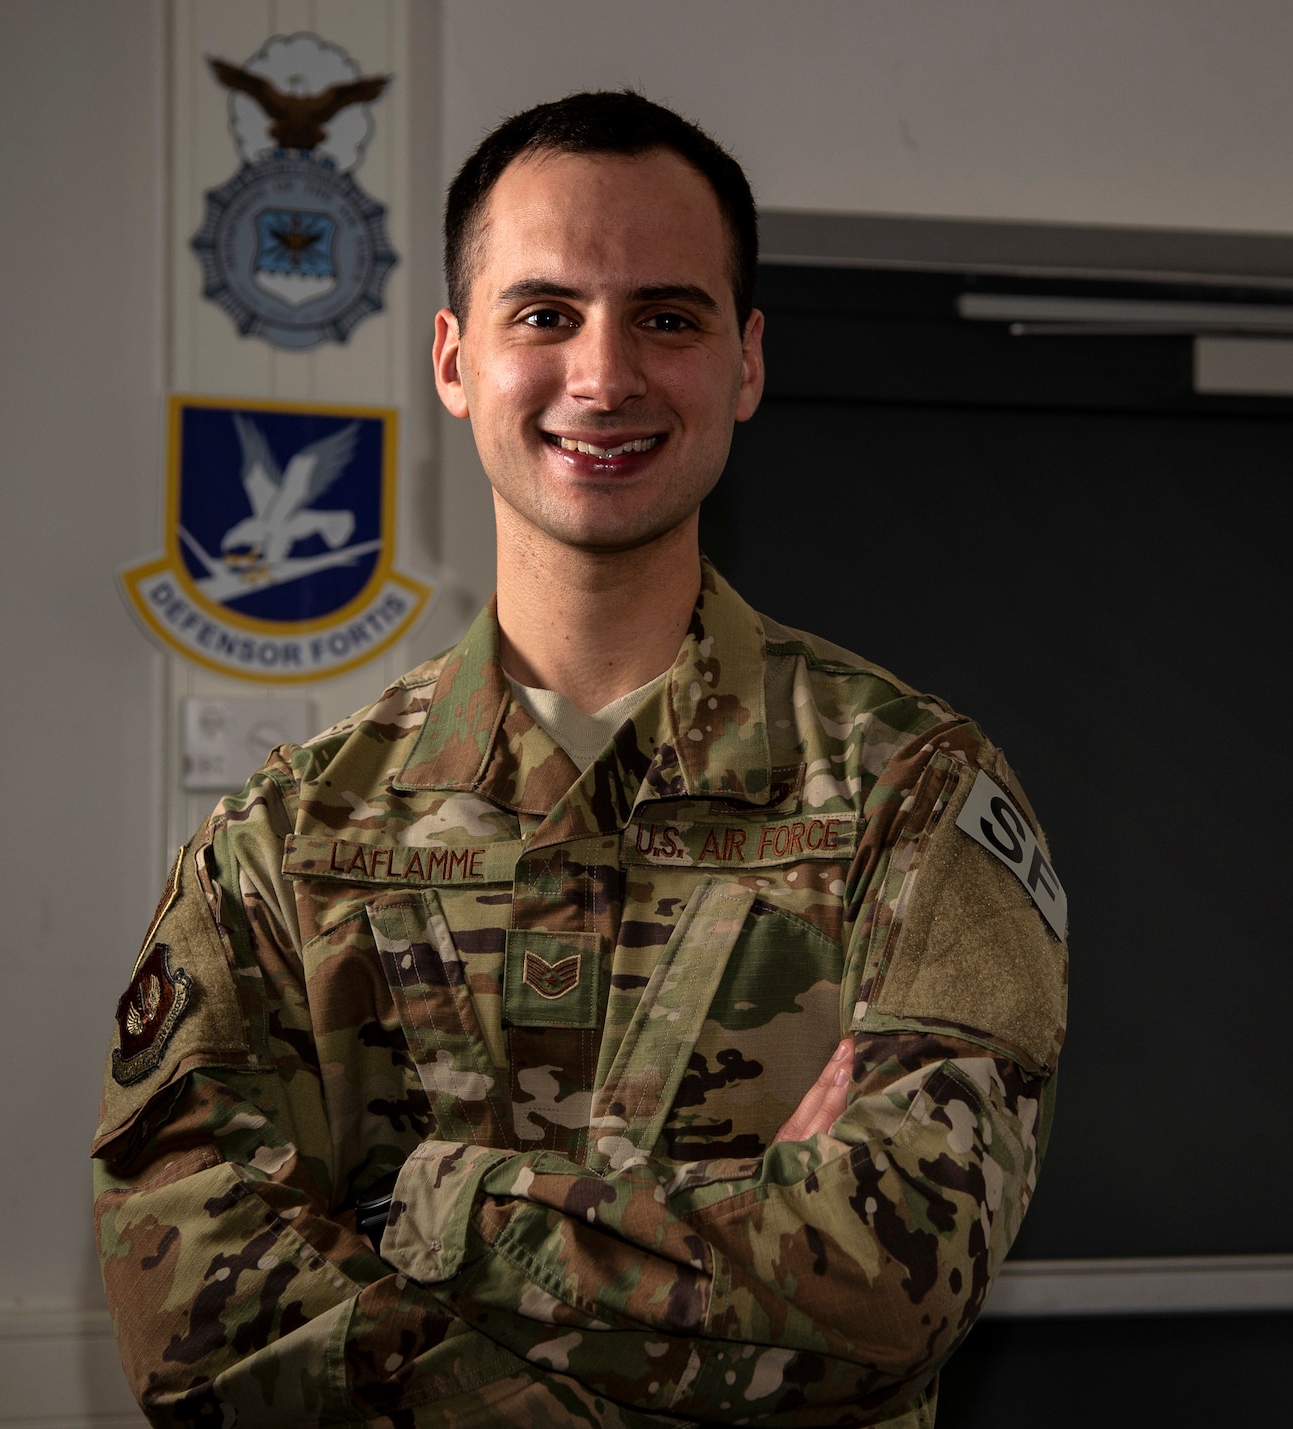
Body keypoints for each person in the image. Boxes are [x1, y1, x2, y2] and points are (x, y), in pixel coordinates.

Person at [93, 90, 1068, 1428]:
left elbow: (891, 1281)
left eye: (667, 317)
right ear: (452, 357)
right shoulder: (287, 840)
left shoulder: (908, 794)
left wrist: (432, 1211)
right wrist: (725, 1258)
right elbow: (203, 1329)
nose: (604, 377)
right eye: (544, 313)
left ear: (747, 362)